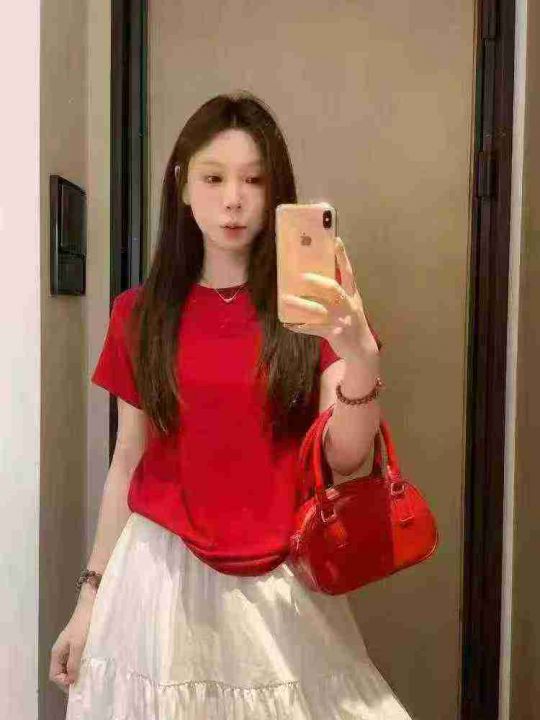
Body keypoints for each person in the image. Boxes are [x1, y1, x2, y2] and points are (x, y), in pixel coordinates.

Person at [50, 92, 413, 719]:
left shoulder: (315, 310)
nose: (234, 200)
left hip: (280, 586)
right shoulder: (139, 314)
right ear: (182, 186)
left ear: (277, 194)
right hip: (156, 586)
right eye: (214, 178)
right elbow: (127, 462)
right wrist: (88, 600)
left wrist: (360, 354)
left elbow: (347, 458)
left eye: (254, 180)